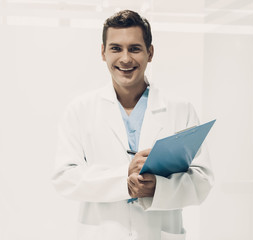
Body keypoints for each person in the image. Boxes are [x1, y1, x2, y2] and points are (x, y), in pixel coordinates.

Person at [52, 9, 214, 240]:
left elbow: (202, 180)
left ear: (150, 53)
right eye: (116, 48)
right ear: (103, 52)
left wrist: (158, 189)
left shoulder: (180, 109)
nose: (125, 58)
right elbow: (64, 178)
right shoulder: (80, 110)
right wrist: (123, 179)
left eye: (135, 48)